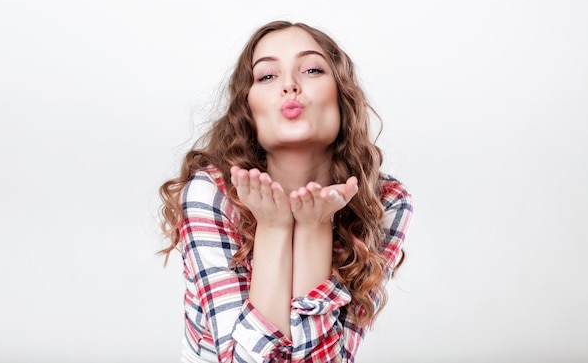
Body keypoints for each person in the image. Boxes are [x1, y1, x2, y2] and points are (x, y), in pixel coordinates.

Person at [159, 20, 413, 362]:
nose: (290, 85)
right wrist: (274, 227)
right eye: (267, 76)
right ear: (247, 109)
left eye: (311, 69)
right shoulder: (211, 194)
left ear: (342, 96)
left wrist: (314, 228)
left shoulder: (384, 201)